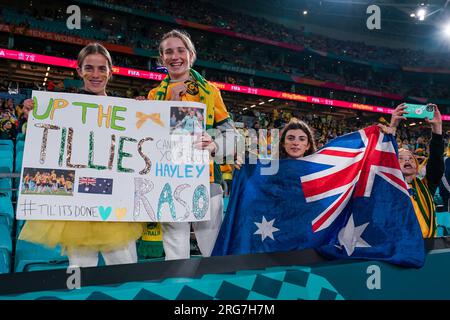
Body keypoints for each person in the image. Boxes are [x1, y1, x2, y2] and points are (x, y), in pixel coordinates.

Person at [19, 43, 146, 267]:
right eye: (89, 68)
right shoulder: (64, 107)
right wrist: (34, 115)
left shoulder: (127, 108)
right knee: (79, 272)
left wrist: (144, 114)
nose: (95, 75)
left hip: (116, 202)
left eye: (101, 68)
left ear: (110, 70)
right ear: (79, 71)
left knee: (125, 270)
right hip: (78, 204)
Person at [146, 29, 239, 260]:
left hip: (207, 179)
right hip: (168, 177)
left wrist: (214, 144)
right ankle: (179, 291)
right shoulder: (154, 94)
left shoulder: (211, 91)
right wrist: (170, 103)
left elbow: (233, 136)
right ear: (161, 58)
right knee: (175, 245)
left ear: (191, 54)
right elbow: (149, 139)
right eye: (168, 52)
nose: (175, 56)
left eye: (181, 50)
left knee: (211, 245)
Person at [389, 103, 444, 238]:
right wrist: (393, 127)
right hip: (398, 249)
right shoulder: (388, 187)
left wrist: (437, 129)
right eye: (401, 158)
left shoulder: (425, 186)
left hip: (427, 248)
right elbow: (382, 160)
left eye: (411, 158)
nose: (407, 160)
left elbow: (436, 163)